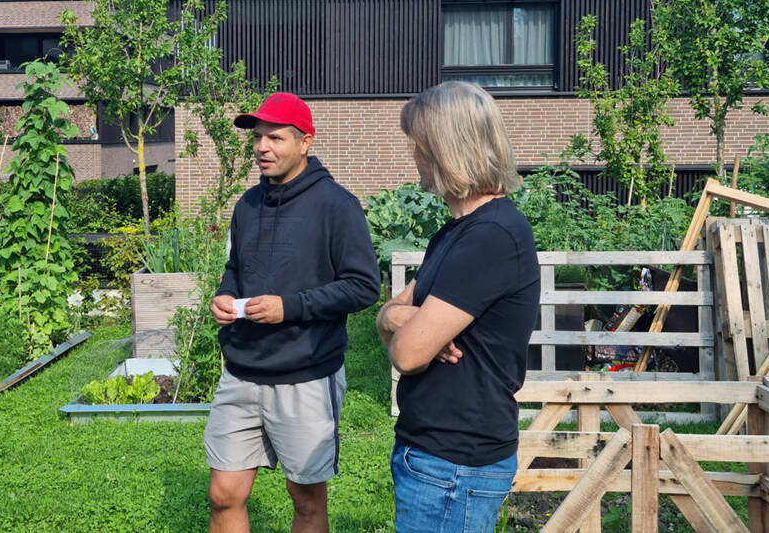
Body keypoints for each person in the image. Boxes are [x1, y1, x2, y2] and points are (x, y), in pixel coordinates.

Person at [206, 92, 381, 533]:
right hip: (241, 372)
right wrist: (224, 296)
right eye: (258, 138)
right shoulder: (247, 205)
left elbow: (363, 287)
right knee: (223, 495)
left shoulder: (337, 206)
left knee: (305, 501)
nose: (262, 147)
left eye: (276, 138)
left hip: (306, 374)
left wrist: (290, 308)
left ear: (305, 142)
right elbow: (234, 269)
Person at [376, 81, 540, 533]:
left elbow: (407, 355)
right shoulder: (453, 234)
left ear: (445, 149)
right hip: (434, 456)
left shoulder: (492, 237)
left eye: (419, 144)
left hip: (454, 465)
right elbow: (390, 317)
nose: (414, 156)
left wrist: (408, 328)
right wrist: (397, 317)